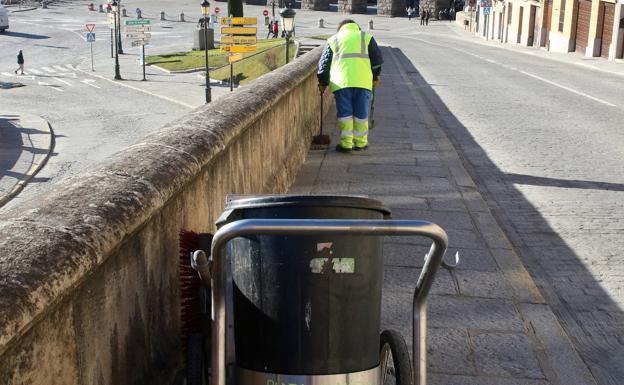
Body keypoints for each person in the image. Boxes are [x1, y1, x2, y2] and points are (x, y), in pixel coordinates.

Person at [317, 19, 383, 153]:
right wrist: (375, 77)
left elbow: (323, 68)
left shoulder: (333, 40)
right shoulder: (367, 37)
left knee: (345, 114)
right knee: (361, 114)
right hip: (363, 82)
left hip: (341, 83)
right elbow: (377, 62)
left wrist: (323, 83)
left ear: (340, 29)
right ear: (356, 28)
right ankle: (361, 143)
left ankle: (346, 144)